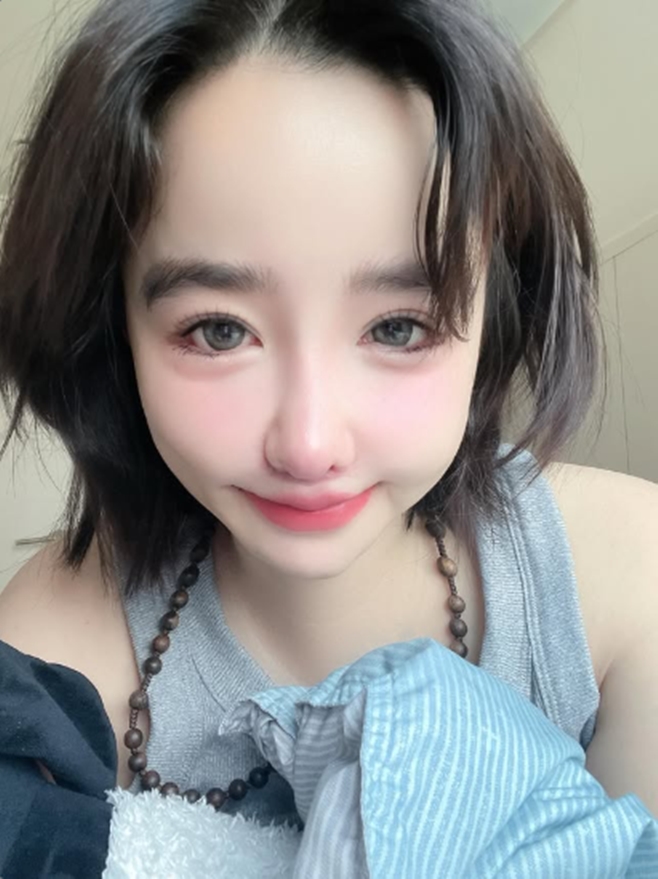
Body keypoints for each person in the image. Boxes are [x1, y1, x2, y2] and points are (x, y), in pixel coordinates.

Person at [0, 0, 656, 873]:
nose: (309, 445)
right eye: (219, 331)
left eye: (398, 328)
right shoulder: (51, 662)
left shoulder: (627, 579)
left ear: (494, 315)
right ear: (114, 331)